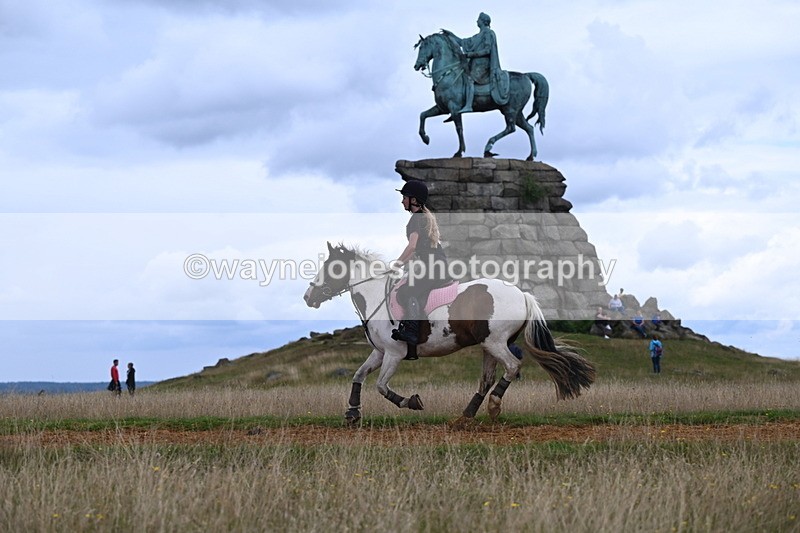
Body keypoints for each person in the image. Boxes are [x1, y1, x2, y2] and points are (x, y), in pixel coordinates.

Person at [391, 180, 452, 359]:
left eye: (404, 197)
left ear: (414, 200)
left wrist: (396, 264)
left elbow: (411, 247)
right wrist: (401, 264)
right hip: (437, 266)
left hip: (432, 268)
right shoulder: (425, 217)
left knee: (405, 291)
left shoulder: (416, 219)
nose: (402, 201)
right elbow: (414, 252)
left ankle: (411, 332)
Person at [444, 12, 508, 113]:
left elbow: (487, 50)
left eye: (478, 19)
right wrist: (451, 35)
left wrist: (470, 55)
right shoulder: (478, 35)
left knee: (469, 79)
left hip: (483, 65)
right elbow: (462, 42)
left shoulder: (488, 33)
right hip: (475, 64)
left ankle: (469, 105)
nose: (476, 21)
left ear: (483, 21)